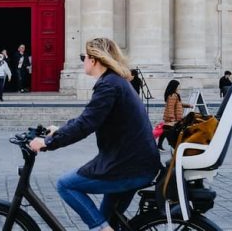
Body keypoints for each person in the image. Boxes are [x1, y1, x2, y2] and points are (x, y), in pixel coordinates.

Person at [29, 38, 160, 231]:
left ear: (94, 60)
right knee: (107, 218)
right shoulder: (115, 82)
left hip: (127, 166)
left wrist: (48, 142)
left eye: (84, 57)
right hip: (135, 162)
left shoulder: (108, 86)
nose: (83, 61)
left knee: (66, 185)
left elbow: (86, 124)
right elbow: (89, 117)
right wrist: (60, 131)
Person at [156, 79, 193, 151]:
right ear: (174, 87)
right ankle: (173, 146)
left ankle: (160, 145)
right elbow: (170, 107)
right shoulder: (172, 95)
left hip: (174, 117)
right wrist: (172, 118)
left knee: (165, 131)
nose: (179, 88)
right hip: (172, 118)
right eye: (178, 86)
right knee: (170, 132)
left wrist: (188, 105)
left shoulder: (175, 95)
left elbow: (179, 104)